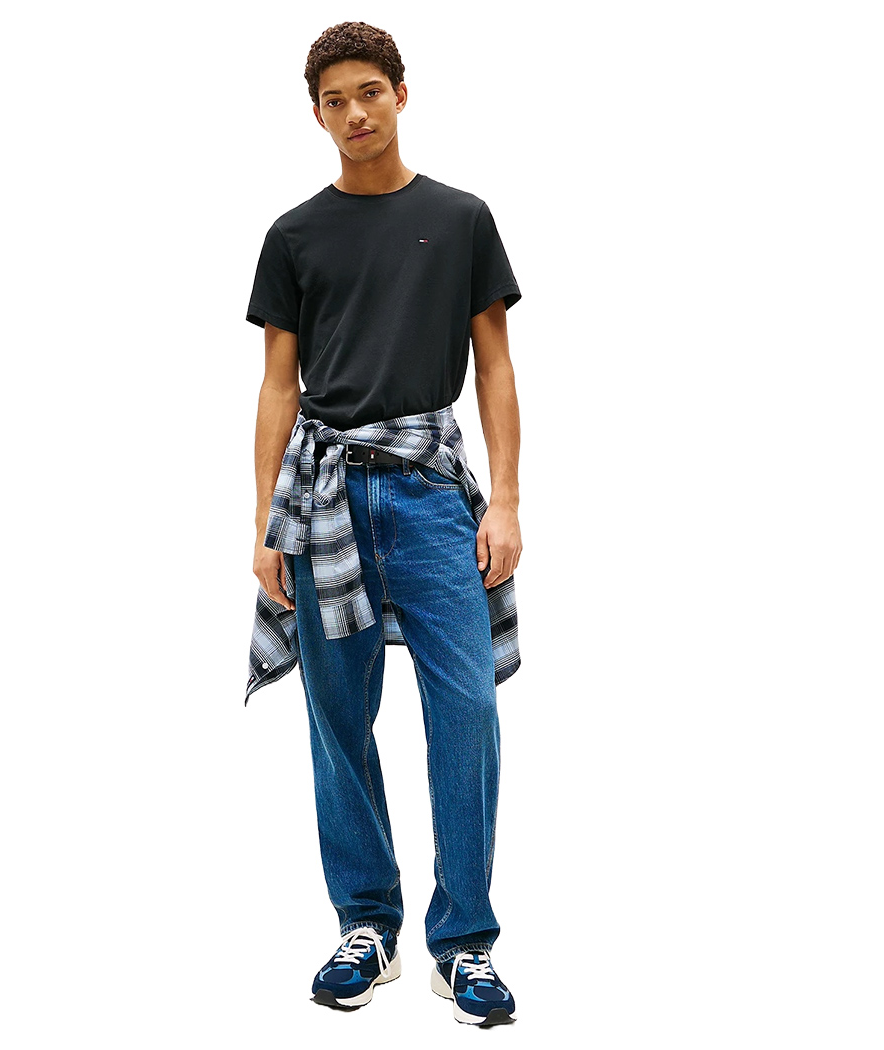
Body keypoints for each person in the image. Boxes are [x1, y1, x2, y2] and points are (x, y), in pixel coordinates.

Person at [245, 21, 523, 1027]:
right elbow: (279, 386)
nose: (354, 113)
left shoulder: (460, 219)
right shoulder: (294, 235)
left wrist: (505, 500)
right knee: (337, 717)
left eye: (369, 91)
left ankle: (465, 940)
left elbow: (494, 365)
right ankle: (368, 924)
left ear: (401, 93)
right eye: (334, 100)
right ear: (316, 114)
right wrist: (265, 522)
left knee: (468, 710)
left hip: (429, 497)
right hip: (323, 500)